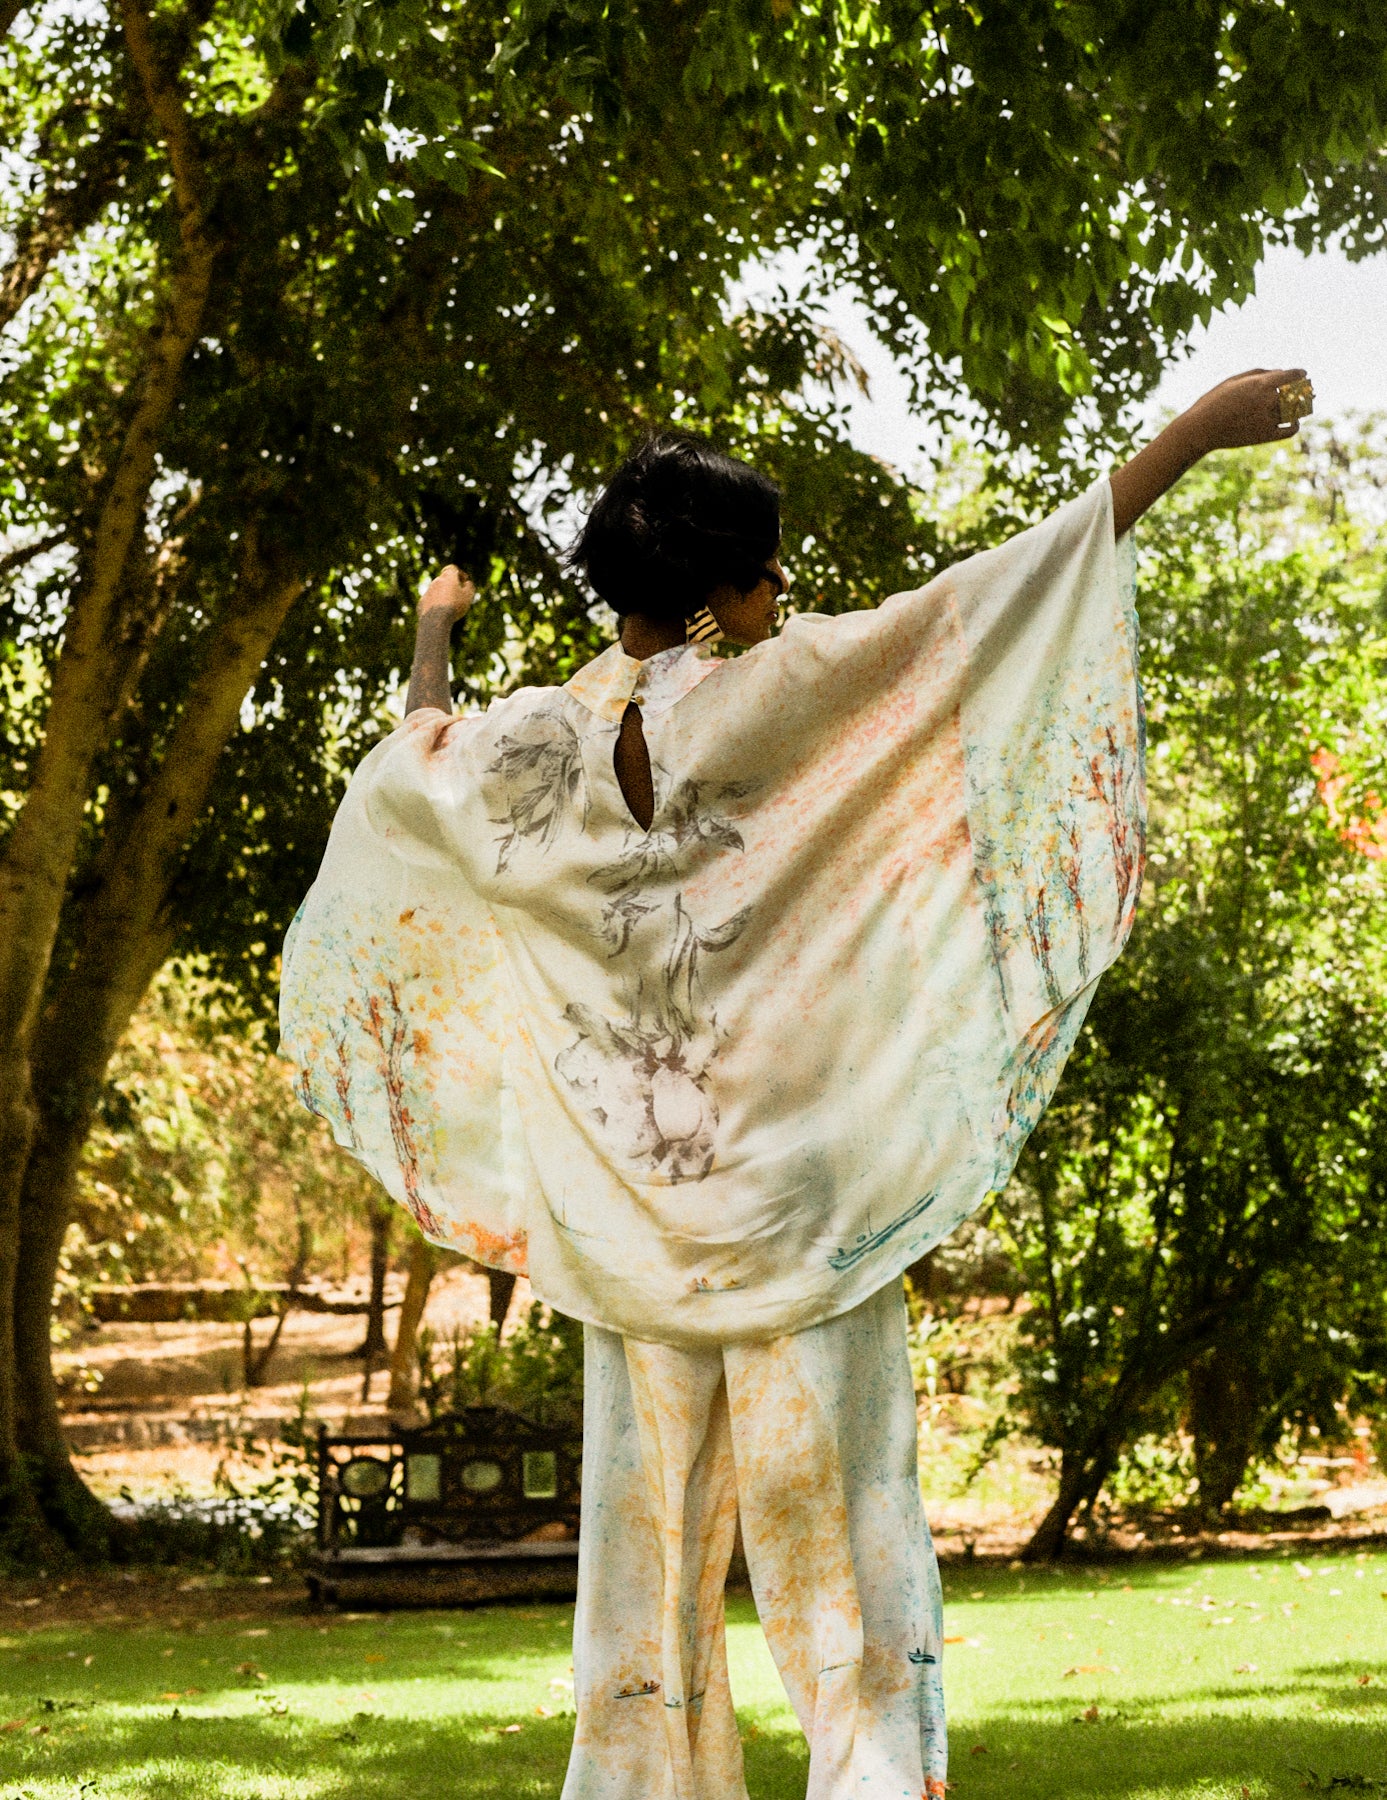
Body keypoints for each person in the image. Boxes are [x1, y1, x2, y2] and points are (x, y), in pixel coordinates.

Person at [280, 366, 1311, 1800]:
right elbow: (992, 604)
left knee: (644, 1561)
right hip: (795, 1220)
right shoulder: (775, 693)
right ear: (718, 593)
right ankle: (873, 1776)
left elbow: (419, 754)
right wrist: (1191, 436)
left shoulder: (536, 746)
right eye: (765, 571)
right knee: (852, 1543)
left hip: (630, 1230)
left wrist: (434, 627)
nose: (783, 593)